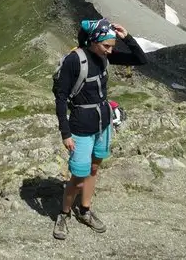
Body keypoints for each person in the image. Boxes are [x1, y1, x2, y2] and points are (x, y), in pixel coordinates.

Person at [53, 17, 147, 240]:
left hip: (102, 125)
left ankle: (85, 210)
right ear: (94, 41)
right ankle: (64, 214)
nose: (110, 51)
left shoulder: (105, 57)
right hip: (81, 127)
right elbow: (60, 98)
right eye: (106, 46)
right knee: (78, 175)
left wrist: (128, 38)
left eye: (112, 47)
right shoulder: (75, 61)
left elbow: (140, 60)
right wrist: (65, 133)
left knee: (94, 169)